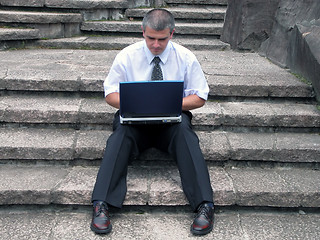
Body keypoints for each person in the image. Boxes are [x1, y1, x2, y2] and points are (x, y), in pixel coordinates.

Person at [90, 8, 214, 236]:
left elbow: (200, 97)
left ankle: (205, 205)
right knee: (118, 137)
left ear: (172, 34)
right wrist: (137, 103)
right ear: (142, 31)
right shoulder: (127, 55)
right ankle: (101, 204)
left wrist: (168, 103)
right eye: (151, 38)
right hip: (135, 122)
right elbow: (110, 94)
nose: (156, 45)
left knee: (186, 134)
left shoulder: (185, 57)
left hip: (172, 122)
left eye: (162, 39)